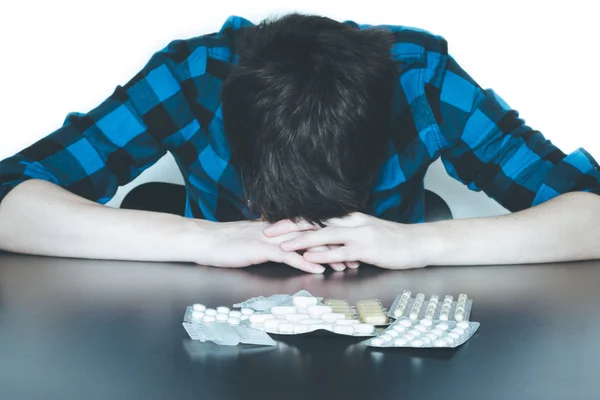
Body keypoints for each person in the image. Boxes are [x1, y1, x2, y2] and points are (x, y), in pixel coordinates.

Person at [1, 14, 599, 274]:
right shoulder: (194, 76)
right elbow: (10, 195)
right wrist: (201, 239)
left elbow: (592, 210)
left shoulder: (422, 78)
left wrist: (424, 242)